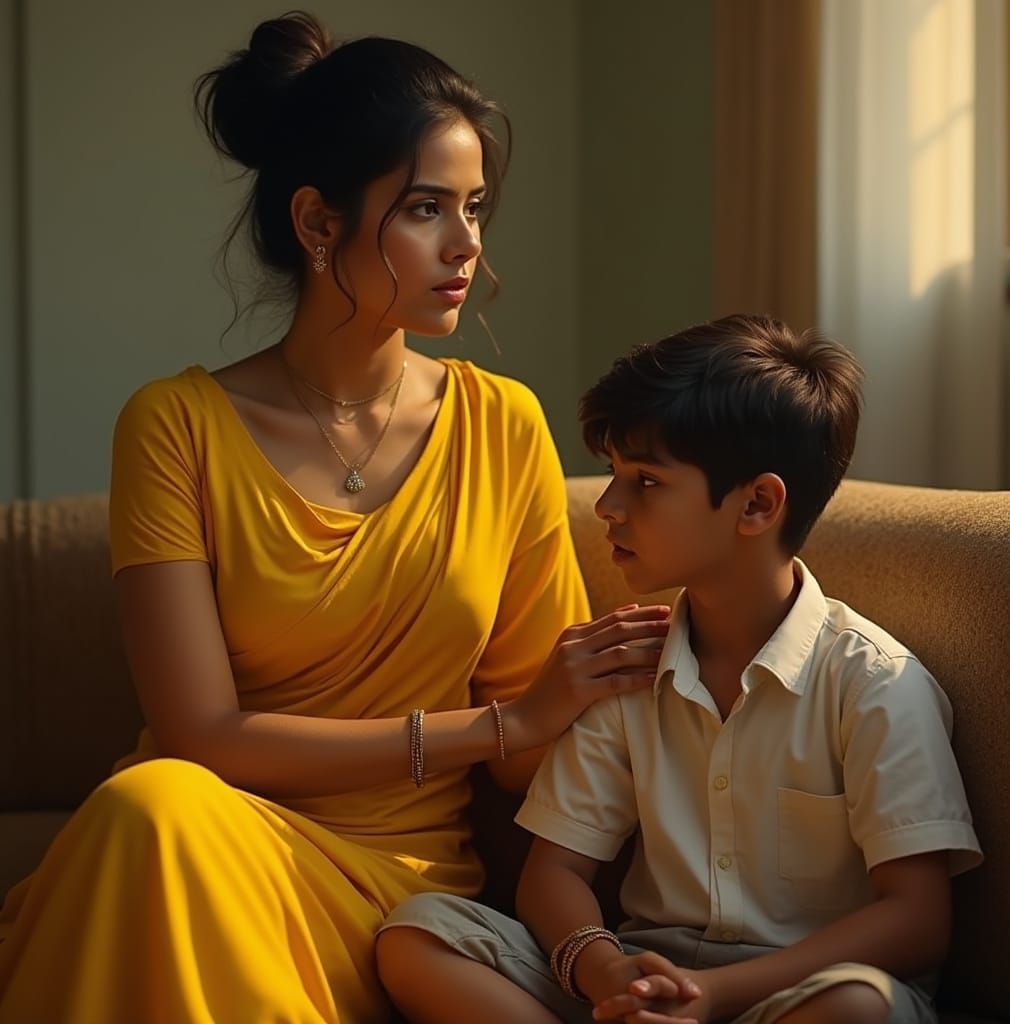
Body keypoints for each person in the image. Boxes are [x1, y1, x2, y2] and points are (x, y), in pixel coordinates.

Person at [0, 12, 671, 1024]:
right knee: (151, 803)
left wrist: (621, 696)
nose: (465, 244)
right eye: (425, 209)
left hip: (402, 896)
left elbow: (534, 756)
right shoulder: (174, 426)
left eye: (475, 207)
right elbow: (202, 735)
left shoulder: (503, 427)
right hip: (201, 847)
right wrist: (502, 721)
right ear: (318, 224)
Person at [377, 314, 984, 1024]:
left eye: (645, 482)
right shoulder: (626, 666)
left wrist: (714, 996)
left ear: (756, 504)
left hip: (790, 996)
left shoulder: (875, 684)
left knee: (857, 1008)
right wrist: (604, 970)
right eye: (613, 475)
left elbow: (915, 920)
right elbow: (554, 874)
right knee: (419, 933)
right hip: (636, 984)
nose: (608, 506)